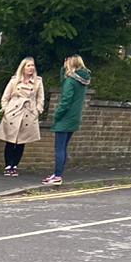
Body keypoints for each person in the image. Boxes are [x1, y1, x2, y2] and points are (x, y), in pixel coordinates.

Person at [45, 55, 91, 186]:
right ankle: (57, 174)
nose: (63, 63)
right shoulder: (82, 81)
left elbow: (66, 100)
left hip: (65, 118)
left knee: (59, 148)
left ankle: (58, 175)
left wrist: (57, 115)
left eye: (65, 61)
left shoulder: (70, 81)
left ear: (69, 63)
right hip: (74, 118)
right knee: (64, 147)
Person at [0, 57, 44, 177]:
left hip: (28, 113)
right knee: (10, 141)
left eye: (32, 65)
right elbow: (5, 97)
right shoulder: (14, 81)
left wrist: (38, 110)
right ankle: (8, 165)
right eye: (28, 66)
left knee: (22, 141)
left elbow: (40, 98)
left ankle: (15, 165)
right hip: (13, 113)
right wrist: (6, 110)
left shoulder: (38, 81)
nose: (31, 68)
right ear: (23, 68)